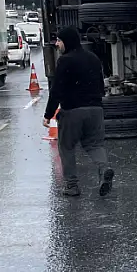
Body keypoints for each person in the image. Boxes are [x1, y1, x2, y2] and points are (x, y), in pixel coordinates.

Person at [43, 27, 115, 197]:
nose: (57, 44)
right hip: (96, 110)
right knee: (95, 145)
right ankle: (104, 169)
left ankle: (71, 186)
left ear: (67, 41)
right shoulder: (93, 58)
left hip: (73, 111)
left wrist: (48, 114)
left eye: (59, 41)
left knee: (66, 147)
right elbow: (100, 84)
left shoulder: (65, 61)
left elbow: (57, 89)